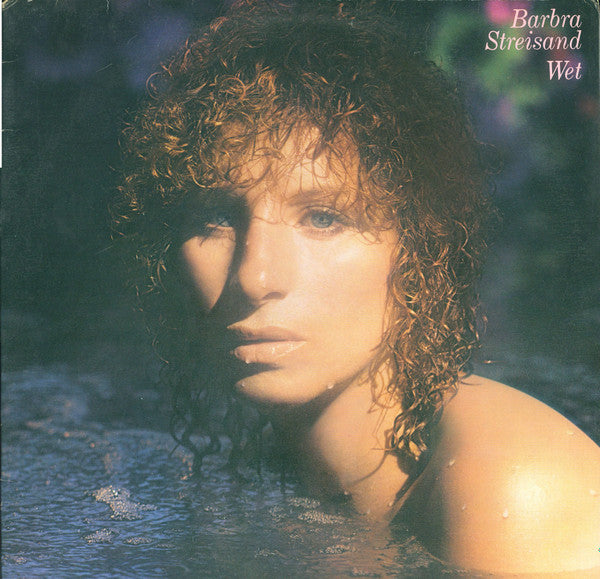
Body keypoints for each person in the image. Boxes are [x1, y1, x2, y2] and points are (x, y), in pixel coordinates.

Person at [115, 1, 600, 574]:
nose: (255, 276)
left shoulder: (512, 484)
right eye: (217, 217)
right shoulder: (264, 471)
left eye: (323, 218)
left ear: (419, 245)